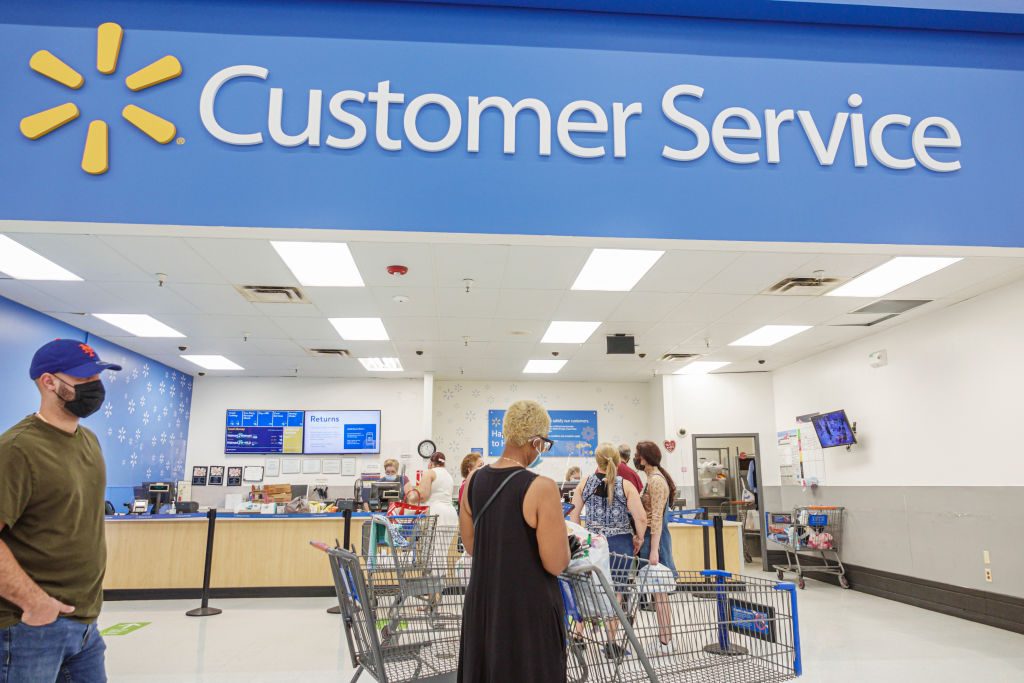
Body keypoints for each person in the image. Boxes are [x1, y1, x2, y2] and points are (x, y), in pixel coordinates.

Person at [0, 339, 122, 682]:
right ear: (48, 382)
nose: (94, 387)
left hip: (85, 626)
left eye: (97, 377)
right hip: (28, 628)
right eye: (82, 379)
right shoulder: (17, 449)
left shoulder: (89, 441)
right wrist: (35, 603)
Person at [458, 400, 570, 682]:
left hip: (483, 606)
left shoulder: (472, 481)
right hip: (527, 610)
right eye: (544, 444)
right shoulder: (541, 487)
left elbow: (472, 546)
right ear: (534, 441)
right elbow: (556, 563)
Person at [633, 440, 679, 656]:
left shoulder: (657, 481)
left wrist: (653, 550)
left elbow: (657, 517)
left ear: (644, 457)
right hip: (652, 540)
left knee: (661, 594)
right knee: (657, 593)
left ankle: (666, 640)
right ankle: (663, 637)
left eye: (637, 454)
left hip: (656, 541)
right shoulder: (651, 478)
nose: (635, 458)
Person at [570, 443, 647, 557]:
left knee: (594, 575)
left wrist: (581, 538)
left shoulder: (584, 483)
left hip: (592, 543)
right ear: (618, 461)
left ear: (597, 461)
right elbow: (641, 518)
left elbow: (574, 515)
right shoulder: (626, 486)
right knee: (619, 575)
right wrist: (639, 538)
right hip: (621, 543)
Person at [406, 452, 459, 529]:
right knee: (445, 540)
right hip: (451, 513)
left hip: (436, 514)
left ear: (430, 463)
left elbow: (423, 496)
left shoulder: (430, 473)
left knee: (433, 540)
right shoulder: (448, 475)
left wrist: (411, 495)